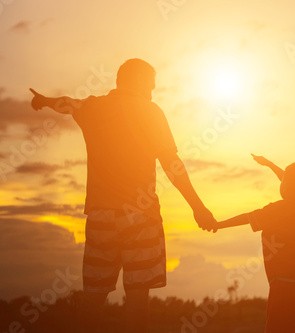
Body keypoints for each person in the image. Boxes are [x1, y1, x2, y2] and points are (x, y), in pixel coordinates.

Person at [29, 58, 216, 332]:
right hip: (141, 217)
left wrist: (43, 101)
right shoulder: (150, 111)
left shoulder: (93, 107)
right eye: (151, 86)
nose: (152, 93)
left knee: (93, 296)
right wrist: (198, 207)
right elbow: (171, 164)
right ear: (138, 81)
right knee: (138, 296)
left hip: (101, 216)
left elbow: (67, 103)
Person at [215, 154, 295, 333]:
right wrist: (270, 165)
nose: (281, 181)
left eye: (284, 180)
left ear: (288, 186)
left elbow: (247, 217)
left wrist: (218, 224)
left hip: (283, 284)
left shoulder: (277, 210)